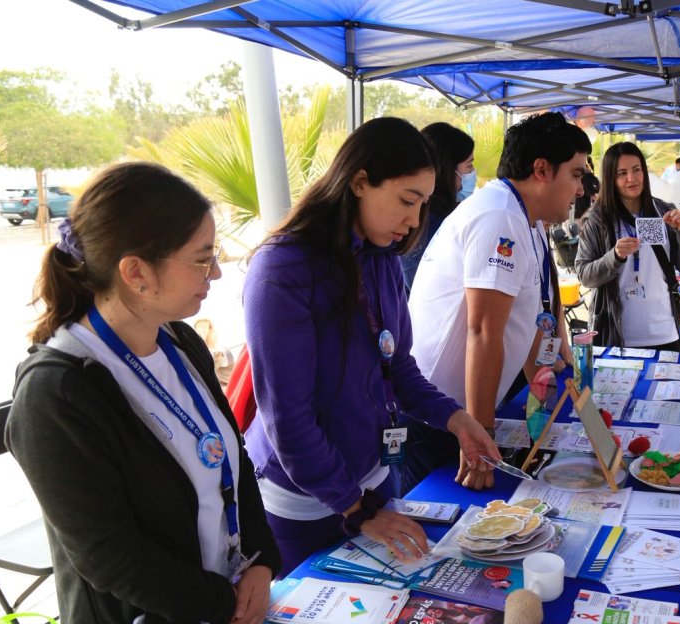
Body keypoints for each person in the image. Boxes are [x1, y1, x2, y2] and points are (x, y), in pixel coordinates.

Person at [5, 162, 281, 624]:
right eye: (202, 259)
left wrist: (261, 562)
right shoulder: (56, 394)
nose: (217, 275)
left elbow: (230, 460)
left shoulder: (179, 341)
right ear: (136, 273)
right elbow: (110, 557)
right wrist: (222, 600)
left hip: (226, 619)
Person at [243, 117, 500, 575]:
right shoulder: (283, 269)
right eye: (406, 200)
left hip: (374, 484)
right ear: (359, 181)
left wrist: (456, 418)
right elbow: (289, 418)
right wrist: (357, 511)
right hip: (305, 506)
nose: (414, 220)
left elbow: (397, 367)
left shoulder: (381, 255)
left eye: (422, 203)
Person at [407, 111, 590, 490]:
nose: (582, 190)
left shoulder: (527, 217)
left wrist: (554, 373)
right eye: (575, 175)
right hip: (439, 422)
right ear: (541, 170)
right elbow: (483, 332)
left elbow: (536, 306)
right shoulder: (499, 216)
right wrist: (480, 436)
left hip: (457, 416)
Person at [574, 141, 680, 350]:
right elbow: (585, 275)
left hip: (665, 332)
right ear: (610, 178)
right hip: (617, 336)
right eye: (622, 173)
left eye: (637, 170)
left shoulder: (663, 209)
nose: (631, 178)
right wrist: (615, 256)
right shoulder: (598, 219)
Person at [400, 122, 475, 292]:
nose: (472, 173)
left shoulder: (445, 214)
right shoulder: (429, 222)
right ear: (447, 169)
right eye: (469, 166)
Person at [193, 316, 235, 388]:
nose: (202, 332)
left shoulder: (219, 349)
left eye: (205, 329)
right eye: (199, 330)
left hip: (229, 383)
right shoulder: (200, 351)